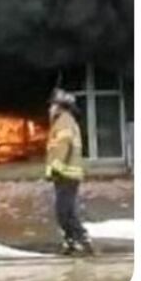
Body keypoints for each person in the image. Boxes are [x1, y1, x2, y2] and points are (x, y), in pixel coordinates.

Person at [47, 88, 94, 255]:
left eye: (52, 105)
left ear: (60, 107)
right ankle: (71, 241)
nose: (50, 109)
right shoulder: (65, 121)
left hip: (66, 174)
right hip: (66, 174)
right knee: (65, 211)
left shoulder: (64, 122)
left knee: (64, 211)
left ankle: (81, 238)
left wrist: (55, 169)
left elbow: (62, 148)